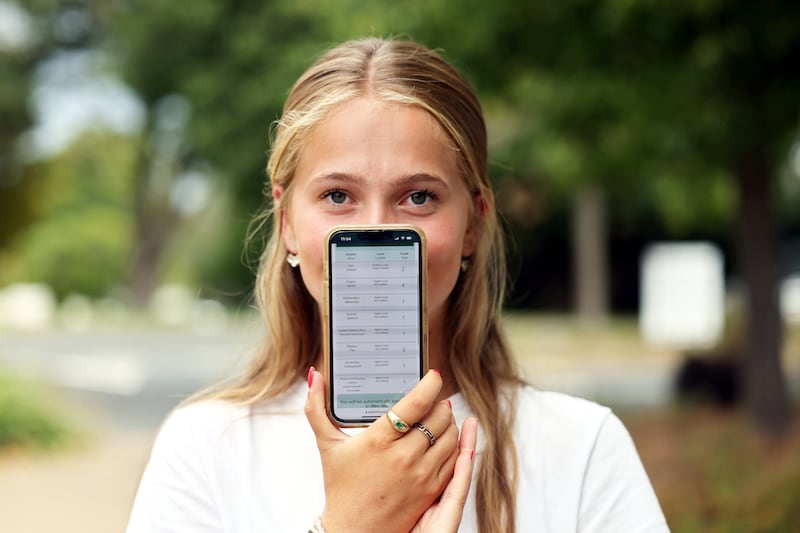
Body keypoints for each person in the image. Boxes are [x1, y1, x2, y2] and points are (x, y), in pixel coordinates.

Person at [126, 37, 669, 533]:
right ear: (287, 220)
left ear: (472, 225)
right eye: (338, 196)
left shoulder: (581, 449)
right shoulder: (205, 446)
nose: (376, 233)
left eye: (419, 197)